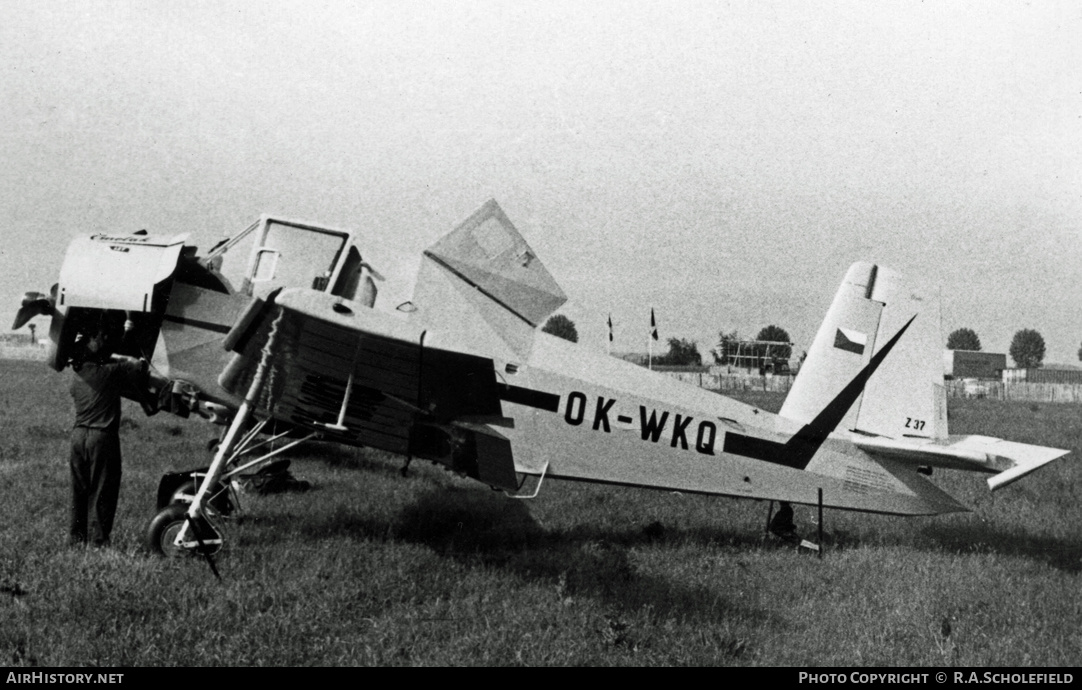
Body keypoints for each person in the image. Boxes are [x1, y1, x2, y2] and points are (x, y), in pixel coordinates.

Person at [68, 321, 150, 547]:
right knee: (103, 491)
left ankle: (76, 539)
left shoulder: (78, 374)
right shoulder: (110, 372)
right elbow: (139, 367)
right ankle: (99, 543)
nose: (105, 340)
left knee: (79, 491)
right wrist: (126, 346)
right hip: (102, 438)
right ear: (90, 343)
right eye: (101, 337)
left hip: (78, 437)